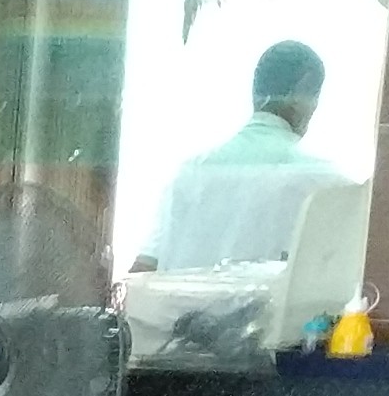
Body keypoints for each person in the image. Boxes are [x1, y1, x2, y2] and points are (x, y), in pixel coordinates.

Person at [144, 40, 341, 271]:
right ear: (302, 92)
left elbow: (145, 266)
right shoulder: (326, 182)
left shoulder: (190, 172)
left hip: (182, 296)